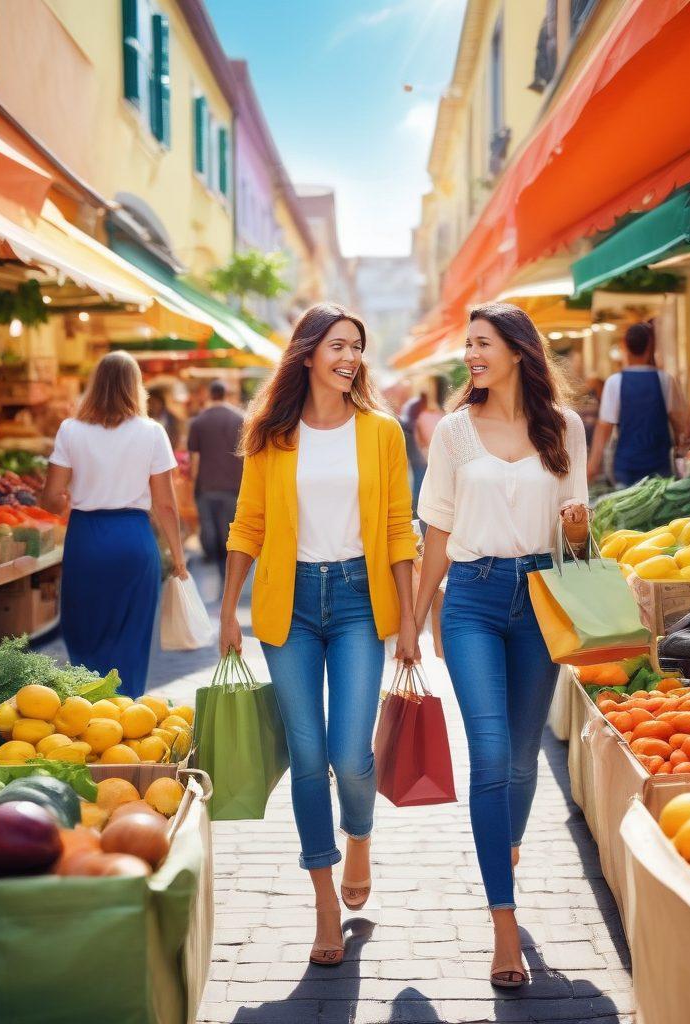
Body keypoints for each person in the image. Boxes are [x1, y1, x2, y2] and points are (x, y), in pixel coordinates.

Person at [219, 302, 419, 968]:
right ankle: (325, 903)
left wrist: (412, 618)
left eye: (357, 347)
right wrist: (226, 610)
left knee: (351, 755)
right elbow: (248, 525)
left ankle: (358, 833)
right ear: (308, 353)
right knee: (307, 758)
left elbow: (398, 528)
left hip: (362, 602)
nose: (349, 357)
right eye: (337, 345)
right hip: (290, 606)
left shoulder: (382, 432)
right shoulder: (269, 435)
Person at [412, 302, 589, 989]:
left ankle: (504, 847)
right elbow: (436, 531)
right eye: (468, 346)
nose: (470, 356)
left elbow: (576, 539)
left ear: (518, 350)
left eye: (481, 344)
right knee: (488, 754)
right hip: (474, 602)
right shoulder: (454, 432)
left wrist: (575, 527)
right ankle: (504, 924)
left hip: (542, 598)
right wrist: (415, 619)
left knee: (521, 757)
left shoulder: (564, 427)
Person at [41, 352, 187, 699]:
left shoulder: (70, 430)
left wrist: (66, 499)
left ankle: (88, 710)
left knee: (83, 629)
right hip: (134, 540)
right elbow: (165, 504)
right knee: (131, 636)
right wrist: (179, 559)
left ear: (95, 385)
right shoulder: (153, 432)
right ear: (135, 387)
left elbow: (50, 496)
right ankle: (124, 717)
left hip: (85, 540)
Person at [586, 321, 686, 485]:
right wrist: (683, 454)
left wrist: (592, 467)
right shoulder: (665, 381)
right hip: (660, 467)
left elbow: (604, 429)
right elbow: (679, 424)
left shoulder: (614, 382)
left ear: (624, 346)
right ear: (650, 346)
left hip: (626, 466)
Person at [187, 380, 244, 579]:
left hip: (206, 484)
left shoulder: (199, 421)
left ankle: (215, 562)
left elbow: (194, 458)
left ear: (210, 395)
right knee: (228, 526)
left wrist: (194, 483)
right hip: (234, 485)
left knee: (209, 526)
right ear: (226, 394)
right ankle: (227, 568)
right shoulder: (240, 419)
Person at [400, 390, 427, 516]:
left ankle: (417, 511)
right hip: (418, 458)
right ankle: (416, 512)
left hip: (419, 457)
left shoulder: (413, 405)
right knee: (419, 486)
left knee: (418, 485)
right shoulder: (415, 405)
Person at [413, 392, 444, 462]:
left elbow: (419, 439)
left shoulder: (420, 417)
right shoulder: (439, 414)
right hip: (441, 448)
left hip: (429, 449)